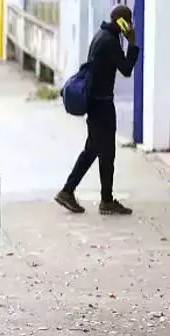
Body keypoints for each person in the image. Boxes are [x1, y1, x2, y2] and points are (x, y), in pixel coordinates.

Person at [55, 4, 139, 215]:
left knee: (94, 150)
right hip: (101, 104)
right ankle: (102, 199)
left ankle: (75, 192)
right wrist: (133, 44)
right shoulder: (110, 42)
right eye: (128, 22)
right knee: (106, 152)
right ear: (122, 22)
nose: (130, 26)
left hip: (97, 103)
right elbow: (127, 69)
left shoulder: (102, 35)